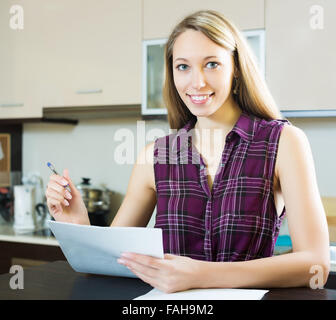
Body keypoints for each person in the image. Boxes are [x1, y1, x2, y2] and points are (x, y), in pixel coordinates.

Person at [45, 10, 330, 293]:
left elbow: (315, 265)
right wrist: (78, 224)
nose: (197, 82)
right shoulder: (153, 156)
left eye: (212, 64)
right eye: (183, 67)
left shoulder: (284, 143)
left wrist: (203, 275)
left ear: (236, 70)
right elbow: (116, 262)